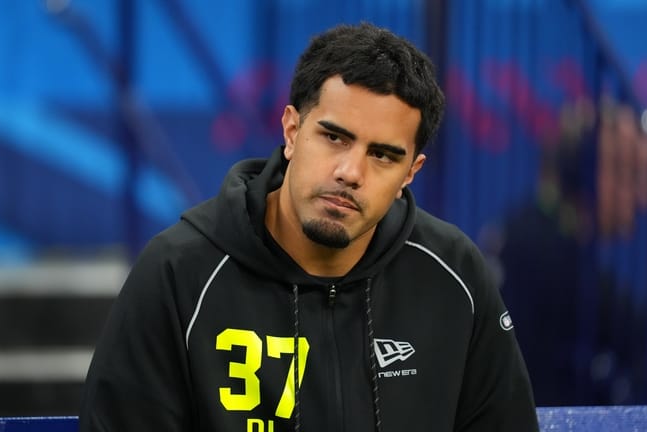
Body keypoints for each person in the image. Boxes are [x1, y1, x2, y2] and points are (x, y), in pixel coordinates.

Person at [79, 23, 538, 431]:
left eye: (382, 155)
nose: (350, 171)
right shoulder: (179, 273)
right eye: (334, 137)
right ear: (292, 130)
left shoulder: (453, 276)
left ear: (410, 173)